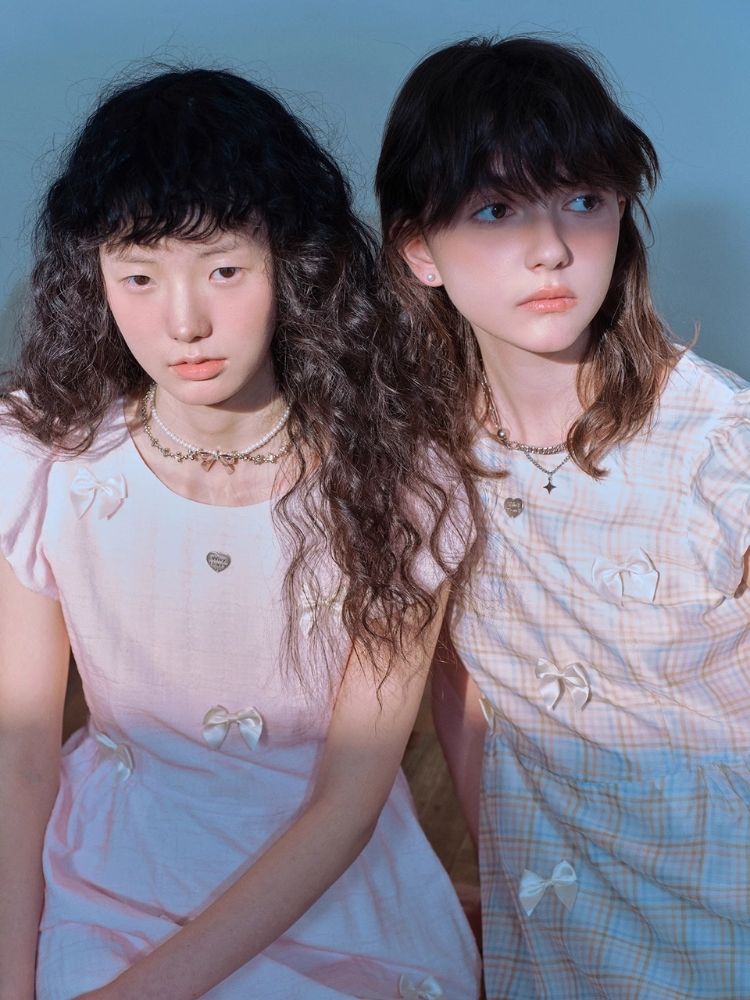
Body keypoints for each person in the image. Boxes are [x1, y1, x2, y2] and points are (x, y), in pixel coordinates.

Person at [0, 68, 481, 1000]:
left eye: (223, 270)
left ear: (293, 262)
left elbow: (348, 801)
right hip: (106, 887)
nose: (183, 322)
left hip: (337, 903)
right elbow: (21, 759)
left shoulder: (399, 481)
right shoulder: (44, 461)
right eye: (138, 277)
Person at [376, 35, 750, 999]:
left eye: (584, 200)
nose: (552, 249)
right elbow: (461, 697)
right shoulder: (424, 462)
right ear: (418, 250)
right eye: (496, 210)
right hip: (556, 942)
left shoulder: (723, 448)